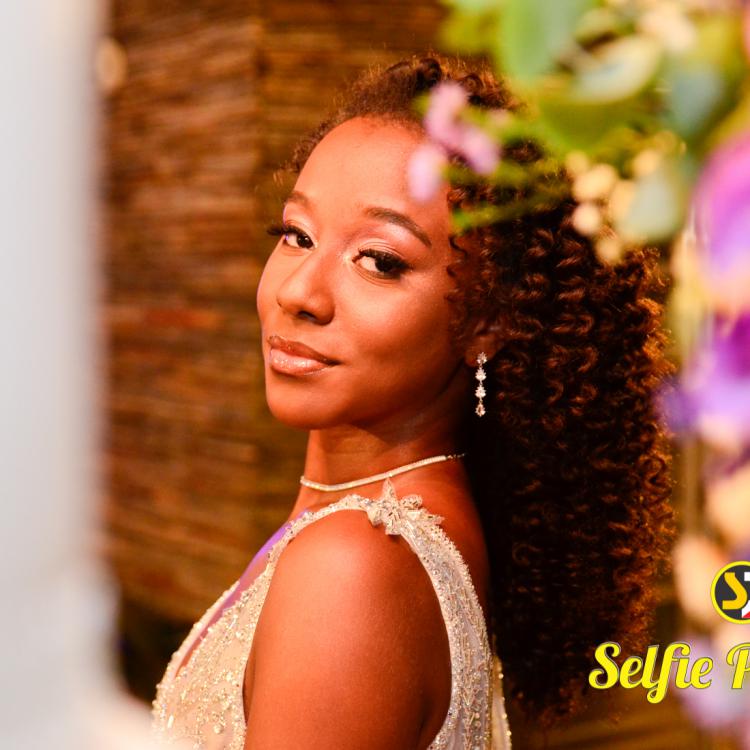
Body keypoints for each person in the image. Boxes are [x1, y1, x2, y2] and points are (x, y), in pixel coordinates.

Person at [151, 53, 674, 749]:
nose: (298, 292)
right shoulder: (387, 532)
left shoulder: (355, 565)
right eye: (297, 235)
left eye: (380, 260)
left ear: (488, 322)